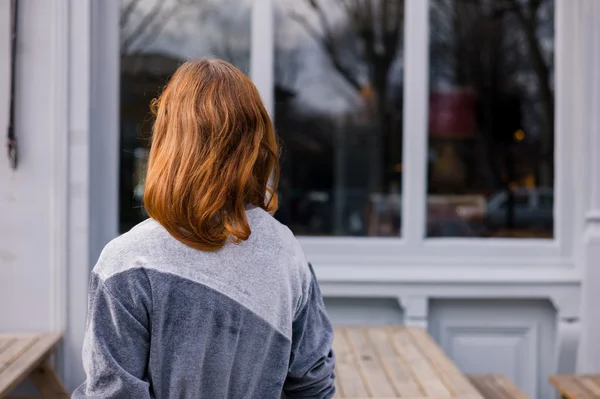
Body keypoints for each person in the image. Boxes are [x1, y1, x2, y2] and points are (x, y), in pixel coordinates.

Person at [73, 59, 336, 399]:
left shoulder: (127, 260)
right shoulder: (286, 254)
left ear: (169, 140)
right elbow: (313, 387)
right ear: (255, 143)